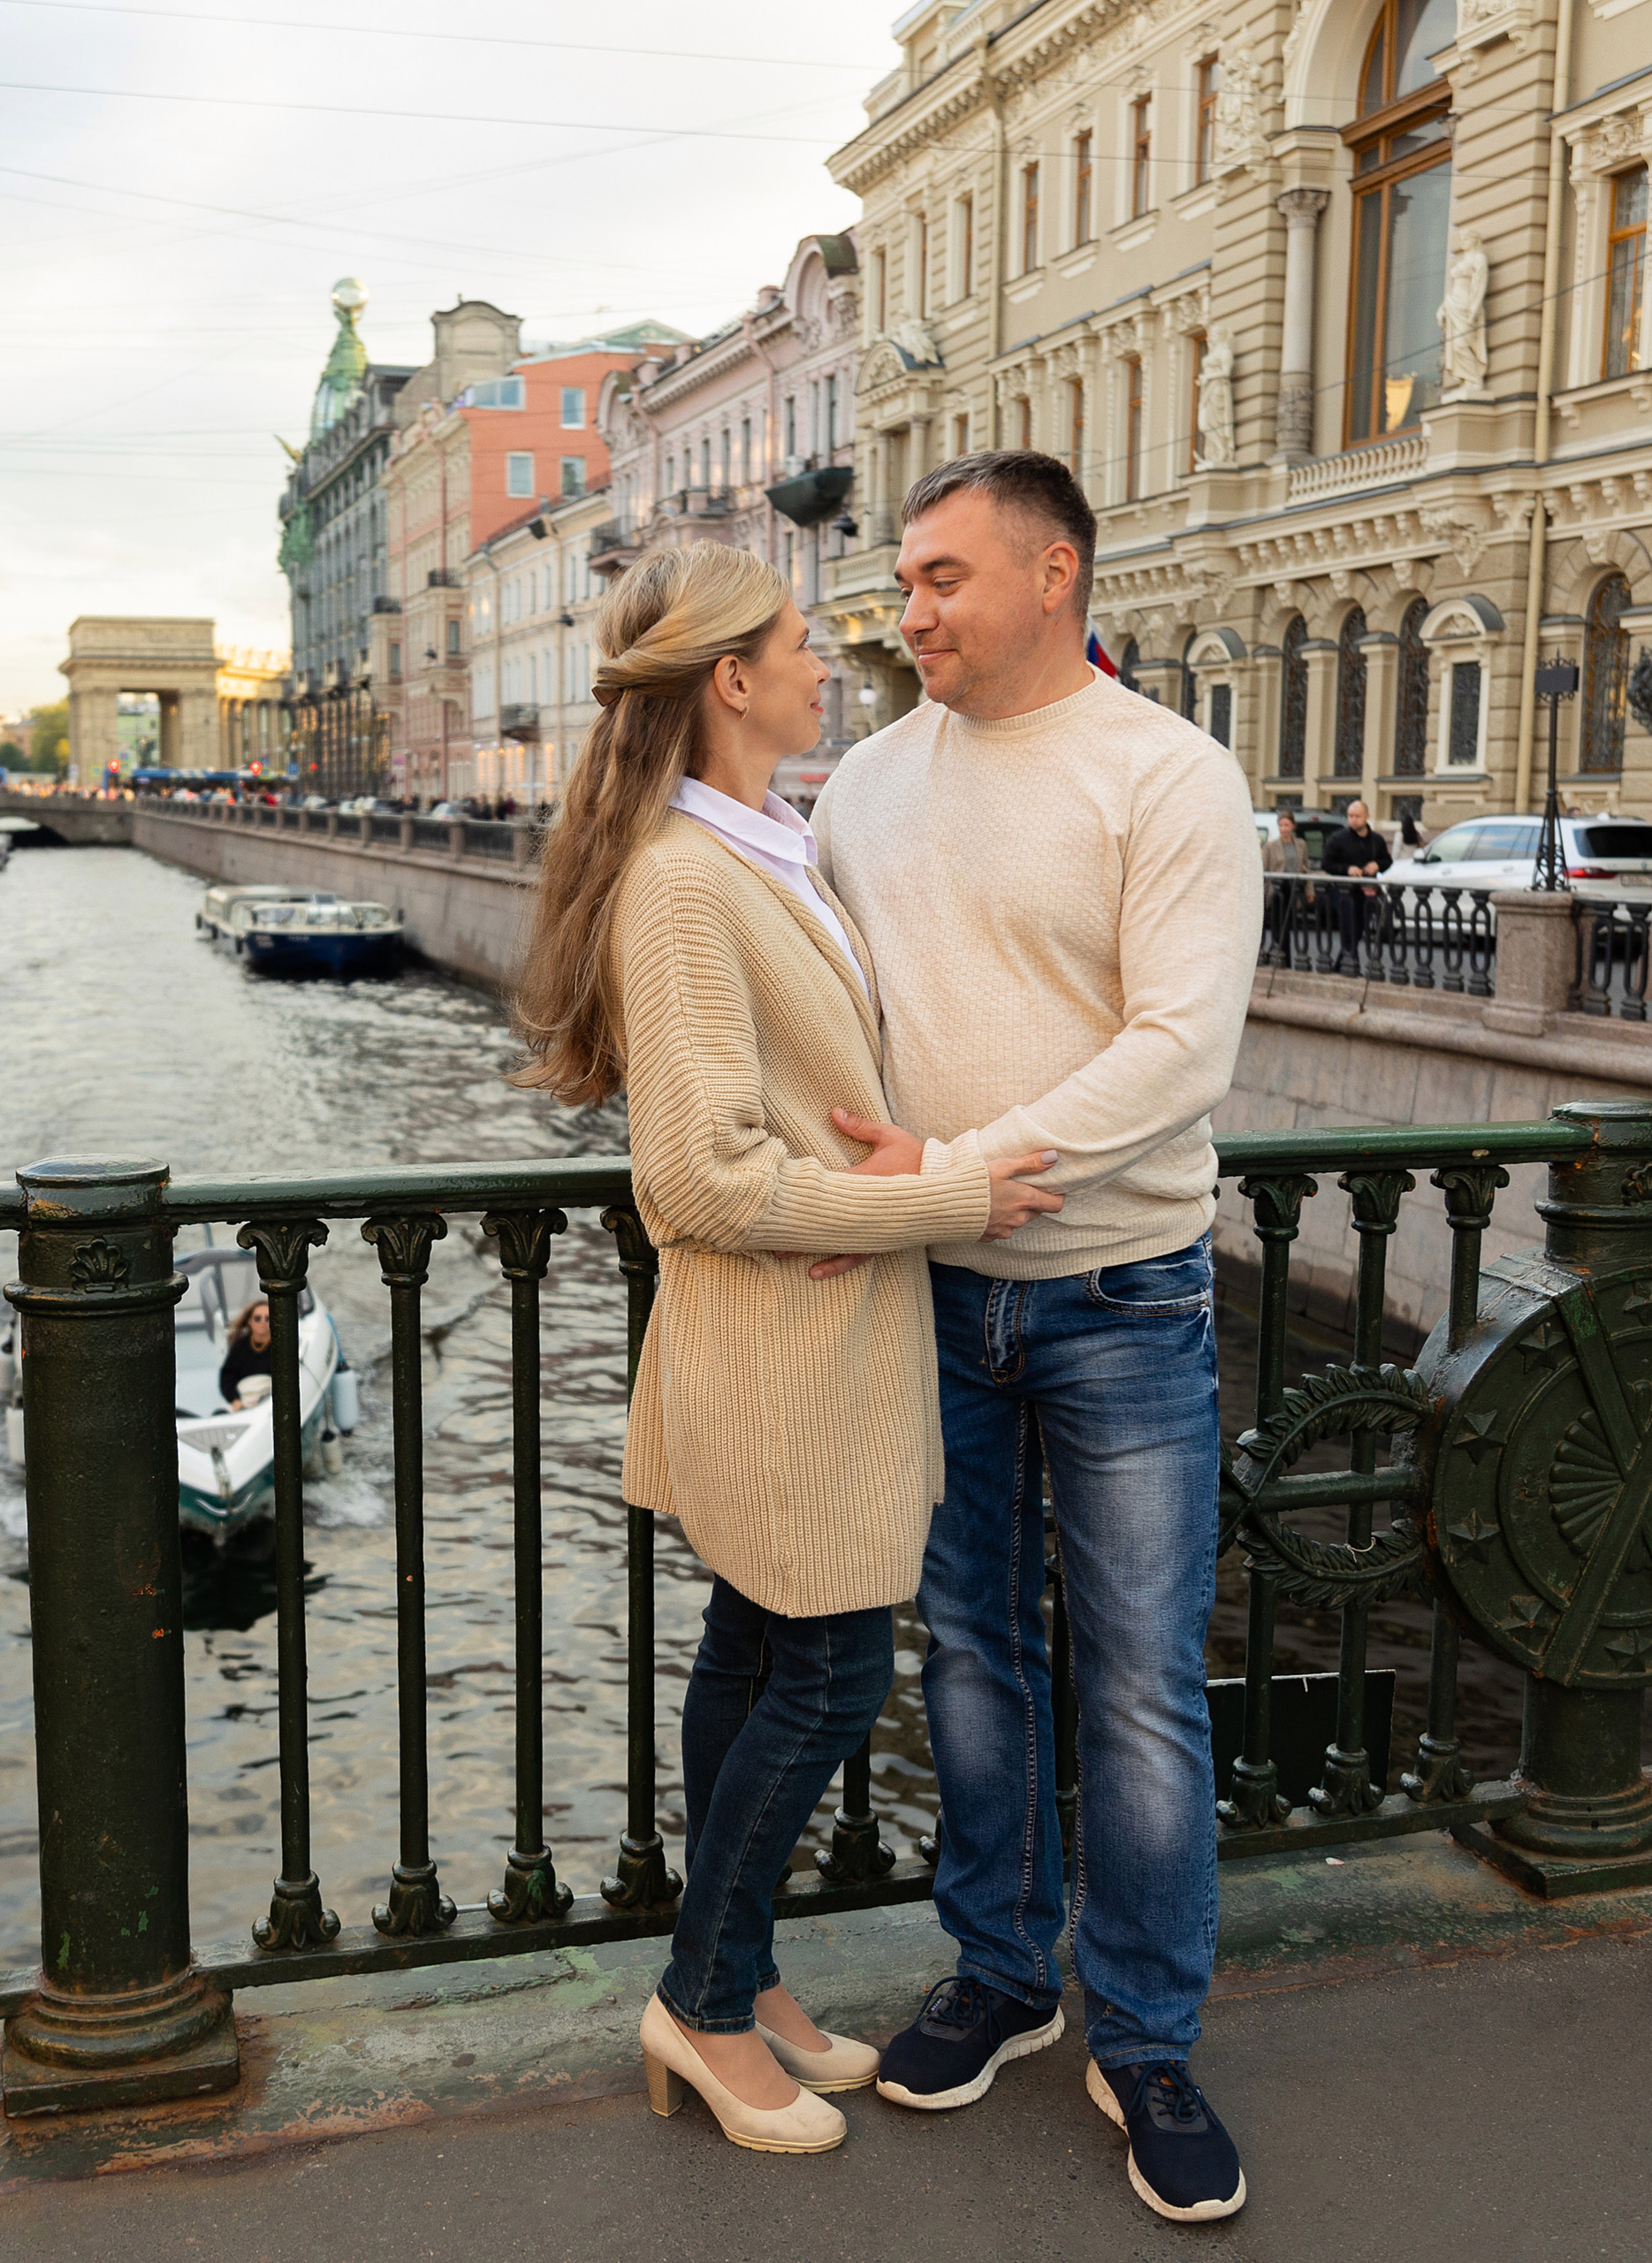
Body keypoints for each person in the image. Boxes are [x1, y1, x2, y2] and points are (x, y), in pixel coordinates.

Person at [512, 540, 1062, 2160]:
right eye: (805, 648)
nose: (834, 667)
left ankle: (740, 1984)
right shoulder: (685, 884)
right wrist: (947, 1191)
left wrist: (890, 1170)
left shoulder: (756, 843)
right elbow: (694, 1172)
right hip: (783, 1348)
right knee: (822, 1682)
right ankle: (694, 1997)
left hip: (811, 1330)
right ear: (730, 682)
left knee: (756, 1656)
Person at [813, 452, 1259, 2224]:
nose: (906, 608)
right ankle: (997, 1970)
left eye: (939, 578)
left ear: (1051, 571)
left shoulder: (1166, 775)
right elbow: (825, 1004)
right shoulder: (861, 782)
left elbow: (1177, 1051)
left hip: (1119, 1289)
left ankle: (1141, 2036)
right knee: (973, 1652)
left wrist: (966, 1164)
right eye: (902, 582)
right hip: (926, 1287)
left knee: (1141, 1682)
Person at [1320, 798, 1389, 971]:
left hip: (1367, 892)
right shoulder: (1338, 838)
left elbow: (1387, 860)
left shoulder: (1376, 840)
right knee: (1349, 930)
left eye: (1357, 816)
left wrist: (1377, 865)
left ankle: (1341, 966)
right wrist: (1347, 869)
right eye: (1350, 816)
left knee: (1358, 931)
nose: (1353, 819)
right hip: (1344, 892)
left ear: (1367, 816)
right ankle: (1351, 967)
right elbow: (1326, 864)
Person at [1260, 809, 1308, 959]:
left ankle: (1285, 957)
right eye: (1281, 825)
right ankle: (1277, 954)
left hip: (1293, 889)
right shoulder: (1271, 846)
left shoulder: (1301, 844)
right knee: (1276, 923)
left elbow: (1305, 868)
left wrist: (1309, 891)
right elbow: (1264, 869)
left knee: (1288, 924)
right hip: (1276, 890)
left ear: (1293, 826)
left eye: (1287, 825)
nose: (1284, 829)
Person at [218, 1298, 274, 1406]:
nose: (263, 1322)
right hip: (244, 1401)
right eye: (258, 1318)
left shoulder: (280, 1347)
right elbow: (227, 1376)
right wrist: (235, 1400)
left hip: (270, 1401)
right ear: (250, 1321)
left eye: (268, 1318)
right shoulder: (239, 1347)